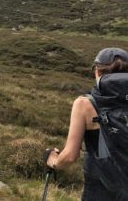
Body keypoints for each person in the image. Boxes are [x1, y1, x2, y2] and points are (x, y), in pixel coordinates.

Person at [45, 48, 128, 200]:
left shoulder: (84, 104)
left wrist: (53, 161)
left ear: (97, 71)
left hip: (100, 189)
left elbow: (70, 156)